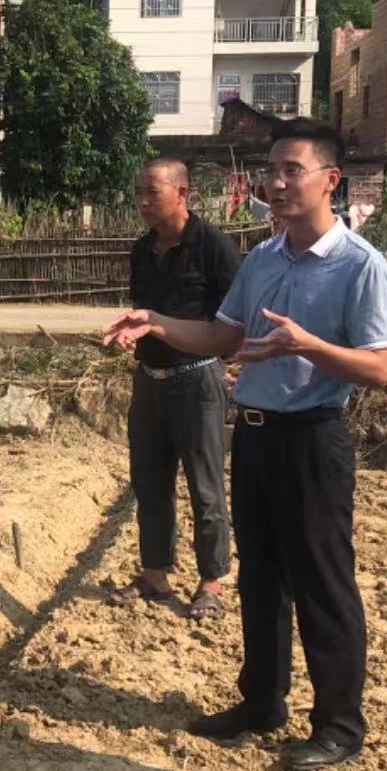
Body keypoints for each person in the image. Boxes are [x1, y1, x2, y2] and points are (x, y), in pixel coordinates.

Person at [103, 120, 387, 771]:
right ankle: (262, 701)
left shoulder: (360, 266)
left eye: (292, 170)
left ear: (330, 180)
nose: (277, 183)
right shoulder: (263, 258)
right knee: (260, 579)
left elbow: (379, 367)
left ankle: (339, 725)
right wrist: (154, 322)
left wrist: (308, 345)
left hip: (313, 438)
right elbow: (222, 338)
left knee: (322, 583)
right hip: (256, 435)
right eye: (271, 170)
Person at [111, 159, 241, 620]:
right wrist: (131, 332)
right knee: (150, 482)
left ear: (182, 193)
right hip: (149, 379)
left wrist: (228, 360)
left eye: (153, 192)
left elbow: (234, 319)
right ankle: (155, 575)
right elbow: (146, 312)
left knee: (205, 486)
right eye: (139, 193)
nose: (144, 202)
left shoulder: (214, 247)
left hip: (198, 379)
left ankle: (211, 582)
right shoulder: (141, 250)